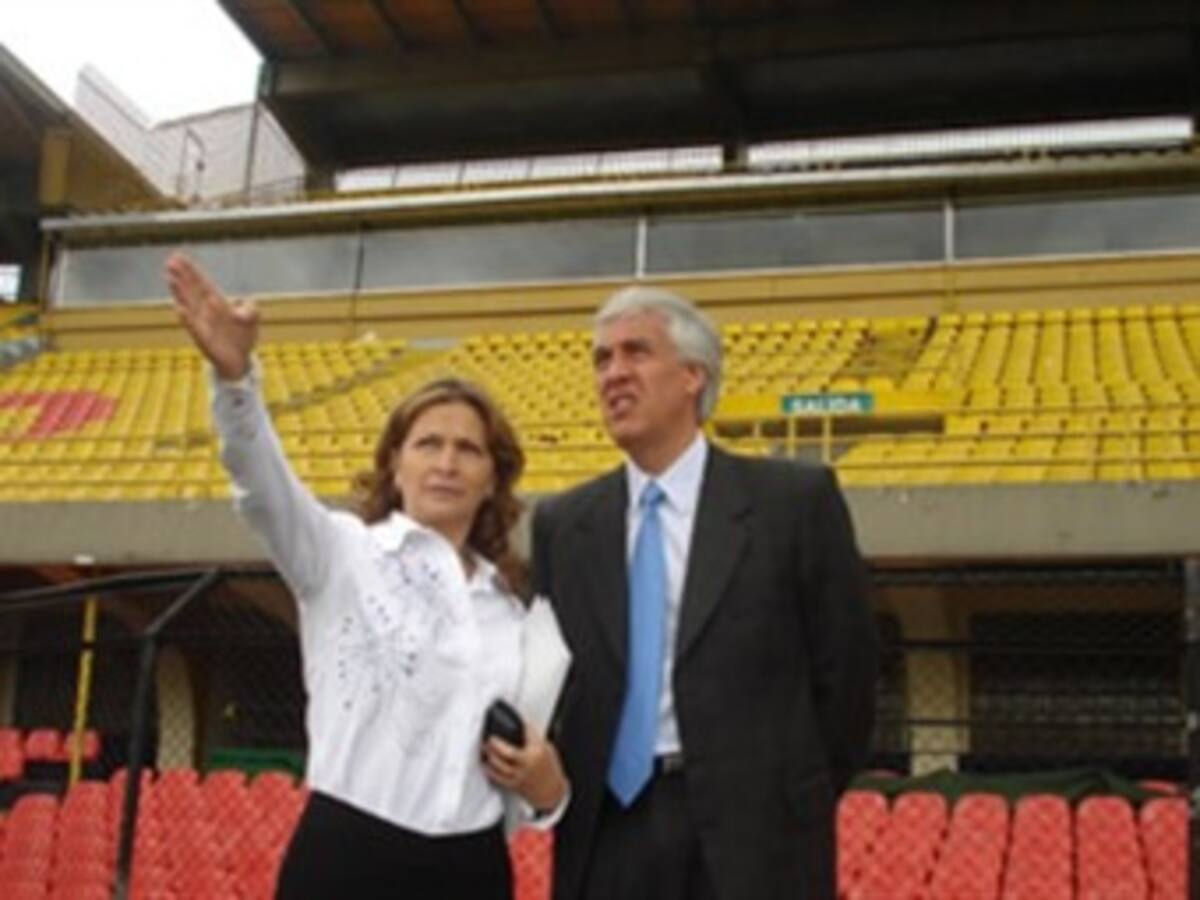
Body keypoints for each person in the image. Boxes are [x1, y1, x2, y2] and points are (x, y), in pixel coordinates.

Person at [165, 254, 568, 900]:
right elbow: (262, 487)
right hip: (349, 854)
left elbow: (531, 770)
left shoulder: (515, 610)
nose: (447, 463)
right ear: (395, 465)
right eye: (428, 444)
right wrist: (236, 380)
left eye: (468, 449)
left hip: (474, 866)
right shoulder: (341, 554)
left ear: (493, 478)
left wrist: (551, 790)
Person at [531, 286, 879, 900]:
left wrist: (791, 795)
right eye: (602, 359)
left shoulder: (793, 504)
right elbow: (557, 683)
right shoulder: (563, 524)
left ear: (694, 375)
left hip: (757, 838)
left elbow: (847, 676)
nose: (613, 373)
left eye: (636, 352)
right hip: (606, 834)